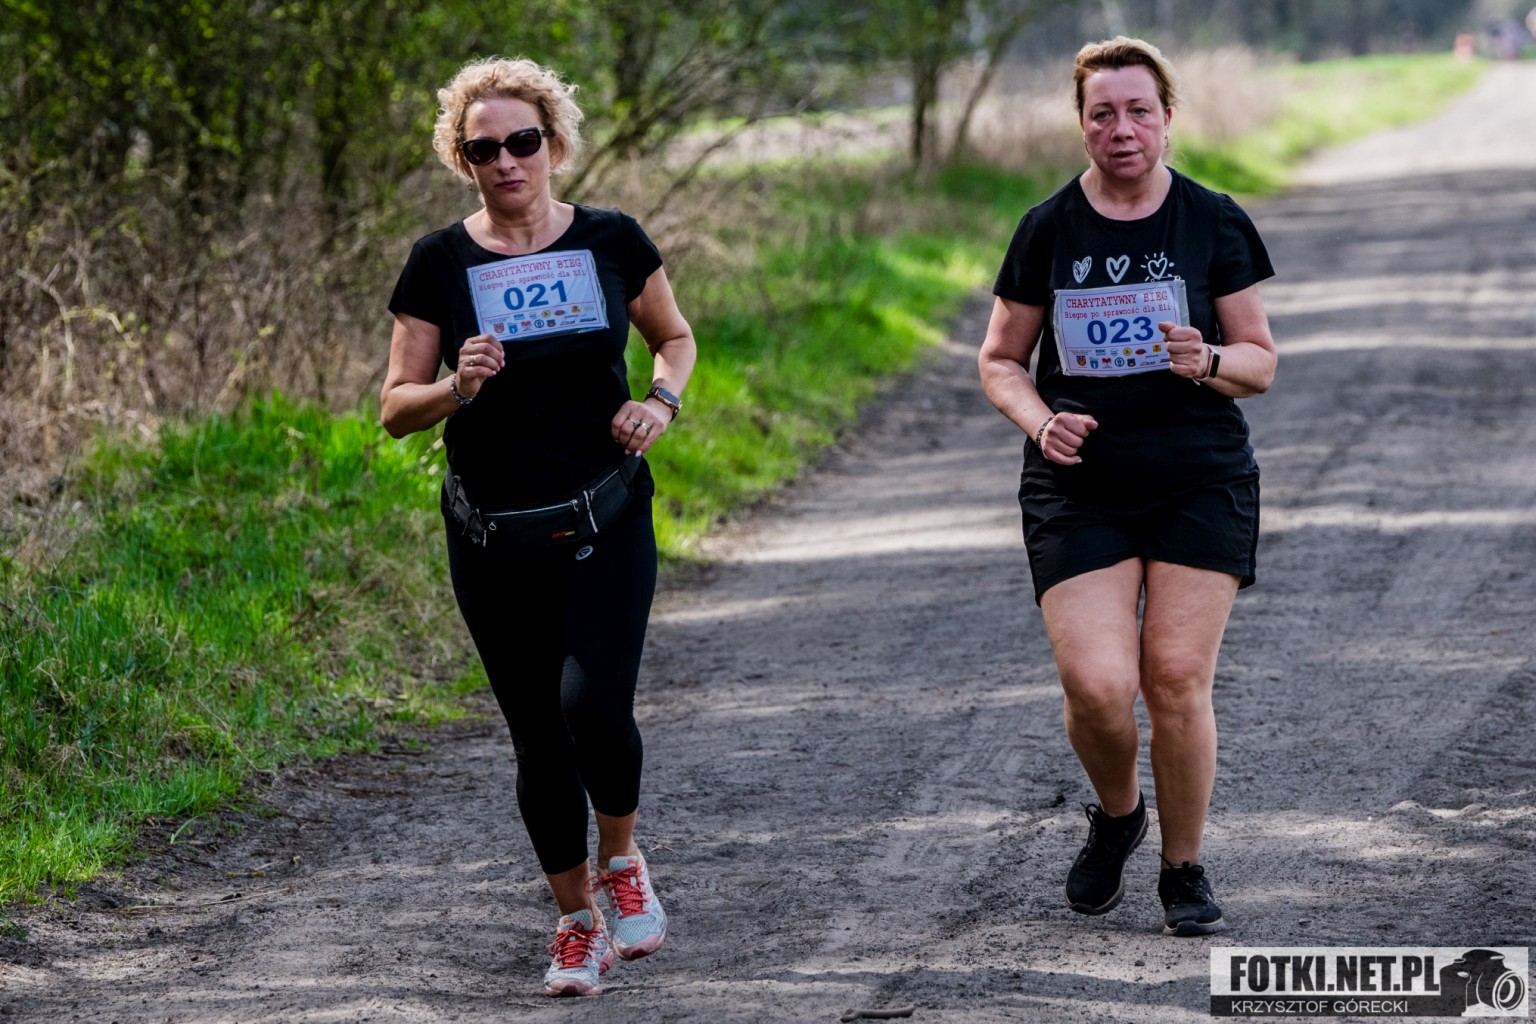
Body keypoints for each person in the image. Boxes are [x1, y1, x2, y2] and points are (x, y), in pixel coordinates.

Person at [381, 57, 696, 995]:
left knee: (593, 709)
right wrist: (457, 385)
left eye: (523, 141)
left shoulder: (610, 238)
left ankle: (622, 859)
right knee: (537, 737)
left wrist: (660, 402)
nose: (507, 160)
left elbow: (674, 338)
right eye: (484, 148)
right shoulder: (439, 262)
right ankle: (576, 923)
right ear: (463, 160)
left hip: (604, 516)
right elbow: (394, 408)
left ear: (554, 144)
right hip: (494, 538)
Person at [977, 36, 1276, 937]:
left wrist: (1209, 359)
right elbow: (1000, 360)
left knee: (1175, 677)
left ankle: (1183, 869)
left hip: (1199, 478)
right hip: (1080, 484)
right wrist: (1041, 422)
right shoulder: (1048, 227)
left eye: (1139, 110)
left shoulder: (1212, 219)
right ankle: (1118, 814)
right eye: (1103, 113)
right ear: (1082, 124)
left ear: (1167, 118)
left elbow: (1259, 363)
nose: (1122, 129)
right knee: (1099, 684)